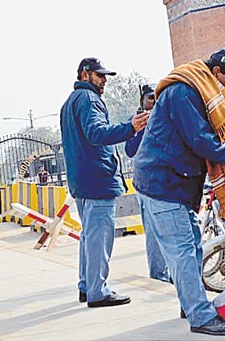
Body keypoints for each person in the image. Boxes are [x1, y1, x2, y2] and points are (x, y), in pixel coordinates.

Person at [133, 47, 225, 336]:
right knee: (183, 251)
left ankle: (192, 303)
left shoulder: (197, 91)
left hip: (174, 183)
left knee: (193, 246)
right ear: (216, 72)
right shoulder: (184, 93)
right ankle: (200, 316)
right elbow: (202, 142)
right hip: (162, 183)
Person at [60, 56, 150, 308]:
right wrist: (129, 127)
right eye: (100, 76)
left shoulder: (70, 102)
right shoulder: (89, 99)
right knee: (99, 238)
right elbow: (96, 133)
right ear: (85, 74)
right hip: (97, 180)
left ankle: (86, 286)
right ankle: (98, 291)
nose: (104, 82)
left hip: (82, 180)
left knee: (89, 237)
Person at [124, 83, 170, 283]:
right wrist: (141, 127)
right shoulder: (135, 122)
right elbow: (130, 151)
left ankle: (171, 272)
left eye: (158, 97)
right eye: (151, 97)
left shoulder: (167, 116)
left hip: (168, 181)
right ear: (142, 101)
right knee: (153, 232)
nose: (155, 101)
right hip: (147, 184)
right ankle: (158, 275)